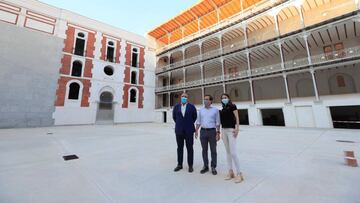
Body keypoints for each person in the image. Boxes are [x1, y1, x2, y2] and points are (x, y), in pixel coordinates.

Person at [220, 93, 244, 183]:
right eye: (222, 98)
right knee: (228, 152)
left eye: (225, 97)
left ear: (228, 98)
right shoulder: (222, 109)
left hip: (231, 130)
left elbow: (237, 118)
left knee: (233, 152)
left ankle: (239, 174)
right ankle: (230, 172)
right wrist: (221, 132)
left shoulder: (233, 106)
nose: (224, 99)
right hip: (224, 131)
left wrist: (237, 129)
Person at [195, 95, 220, 175]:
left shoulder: (215, 110)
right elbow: (198, 122)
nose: (205, 101)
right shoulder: (201, 110)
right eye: (204, 99)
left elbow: (217, 122)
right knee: (204, 150)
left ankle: (213, 166)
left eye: (207, 99)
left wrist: (218, 132)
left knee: (213, 150)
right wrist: (196, 130)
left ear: (211, 101)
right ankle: (205, 166)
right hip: (203, 132)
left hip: (212, 132)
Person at [172, 92, 197, 173]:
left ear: (187, 98)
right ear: (180, 97)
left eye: (185, 97)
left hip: (189, 130)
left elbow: (194, 117)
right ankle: (179, 164)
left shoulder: (192, 107)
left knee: (190, 148)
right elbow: (174, 117)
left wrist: (187, 124)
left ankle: (190, 165)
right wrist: (180, 124)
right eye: (183, 96)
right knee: (179, 148)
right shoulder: (176, 107)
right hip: (179, 130)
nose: (184, 98)